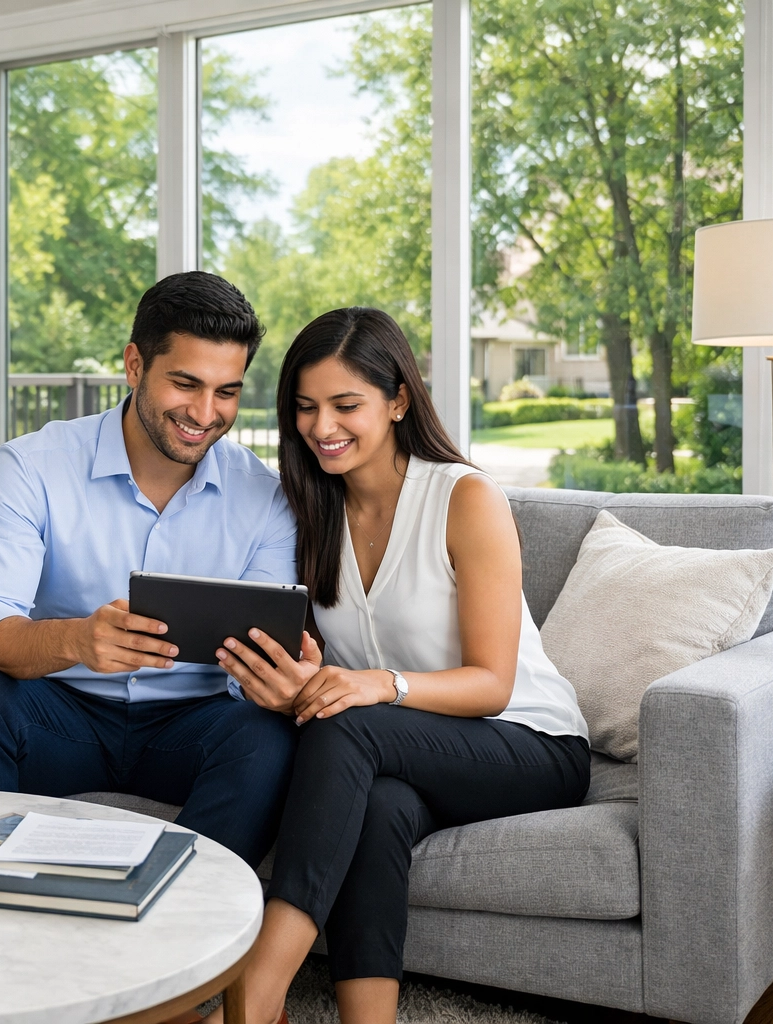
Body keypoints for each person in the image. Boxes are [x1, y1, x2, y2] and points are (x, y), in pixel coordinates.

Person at [209, 307, 590, 1024]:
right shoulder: (311, 511)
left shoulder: (464, 498)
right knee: (377, 805)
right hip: (405, 750)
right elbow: (332, 671)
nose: (322, 426)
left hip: (531, 743)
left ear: (398, 401)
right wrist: (302, 684)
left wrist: (376, 686)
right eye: (305, 407)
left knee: (347, 724)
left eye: (345, 405)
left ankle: (255, 996)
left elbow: (492, 684)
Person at [0, 271, 300, 869]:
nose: (205, 413)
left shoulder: (266, 497)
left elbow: (253, 667)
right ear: (134, 365)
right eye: (185, 384)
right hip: (60, 709)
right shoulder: (31, 466)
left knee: (270, 736)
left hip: (191, 726)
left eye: (226, 391)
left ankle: (182, 902)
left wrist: (274, 678)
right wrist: (76, 639)